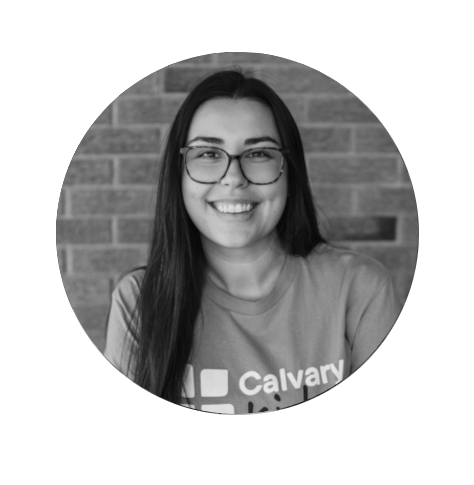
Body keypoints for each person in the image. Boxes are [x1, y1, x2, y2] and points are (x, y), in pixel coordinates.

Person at [103, 68, 401, 414]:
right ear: (178, 173)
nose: (233, 178)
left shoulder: (360, 288)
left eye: (259, 154)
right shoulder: (139, 302)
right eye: (208, 154)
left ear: (289, 171)